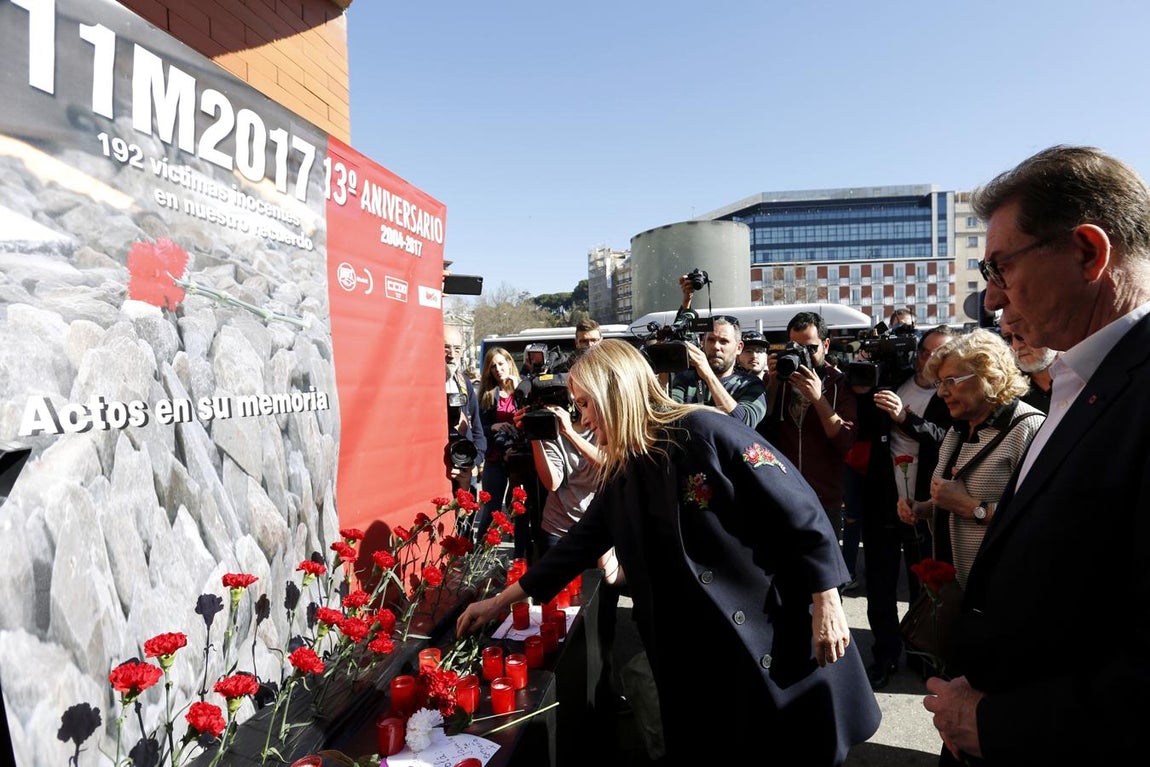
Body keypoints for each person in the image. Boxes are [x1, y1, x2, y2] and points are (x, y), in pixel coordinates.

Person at [457, 340, 881, 764]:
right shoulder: (625, 465)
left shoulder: (705, 431)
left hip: (761, 633)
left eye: (586, 405)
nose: (583, 418)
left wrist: (826, 600)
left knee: (786, 745)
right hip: (692, 652)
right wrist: (500, 601)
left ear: (614, 393)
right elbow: (578, 544)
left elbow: (799, 508)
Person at [923, 145, 1150, 765]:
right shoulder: (1079, 383)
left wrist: (1000, 723)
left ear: (1087, 252)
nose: (993, 300)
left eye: (1000, 268)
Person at [897, 329, 1044, 589]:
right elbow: (953, 499)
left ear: (989, 375)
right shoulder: (958, 430)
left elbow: (1041, 517)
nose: (942, 392)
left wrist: (972, 508)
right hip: (954, 590)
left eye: (951, 380)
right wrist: (927, 508)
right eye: (940, 383)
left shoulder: (1028, 428)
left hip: (999, 590)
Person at [857, 324, 956, 689]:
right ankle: (885, 655)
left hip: (926, 503)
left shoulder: (954, 392)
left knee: (923, 585)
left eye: (939, 354)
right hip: (883, 499)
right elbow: (866, 429)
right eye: (924, 352)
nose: (928, 360)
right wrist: (867, 390)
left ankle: (920, 654)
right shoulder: (895, 379)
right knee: (880, 586)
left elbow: (946, 439)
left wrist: (905, 418)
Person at [762, 311, 857, 541]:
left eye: (810, 348)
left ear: (826, 344)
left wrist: (818, 398)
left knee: (826, 574)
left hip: (825, 499)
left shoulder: (840, 383)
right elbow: (762, 429)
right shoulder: (779, 379)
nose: (803, 354)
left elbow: (845, 440)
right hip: (784, 495)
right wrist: (773, 383)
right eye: (794, 348)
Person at [668, 275, 769, 428]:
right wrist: (663, 374)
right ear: (702, 343)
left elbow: (745, 423)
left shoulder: (750, 385)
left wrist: (707, 375)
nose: (716, 347)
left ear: (739, 348)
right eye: (711, 340)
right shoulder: (686, 380)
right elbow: (667, 416)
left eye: (724, 341)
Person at [474, 347, 522, 546]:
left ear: (509, 363)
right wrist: (492, 426)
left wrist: (520, 388)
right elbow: (478, 427)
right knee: (492, 508)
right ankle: (479, 551)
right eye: (493, 366)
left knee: (518, 508)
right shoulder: (487, 394)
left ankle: (519, 556)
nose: (498, 369)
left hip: (519, 457)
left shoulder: (523, 388)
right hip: (495, 457)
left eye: (501, 364)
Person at [444, 326, 486, 495]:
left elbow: (477, 428)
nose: (451, 354)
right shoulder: (424, 382)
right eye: (445, 347)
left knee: (464, 520)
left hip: (466, 470)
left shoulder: (464, 382)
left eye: (457, 348)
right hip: (439, 471)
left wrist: (474, 462)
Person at [998, 317, 1056, 414]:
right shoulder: (1008, 393)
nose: (1016, 346)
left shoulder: (1084, 372)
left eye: (1022, 334)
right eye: (1008, 338)